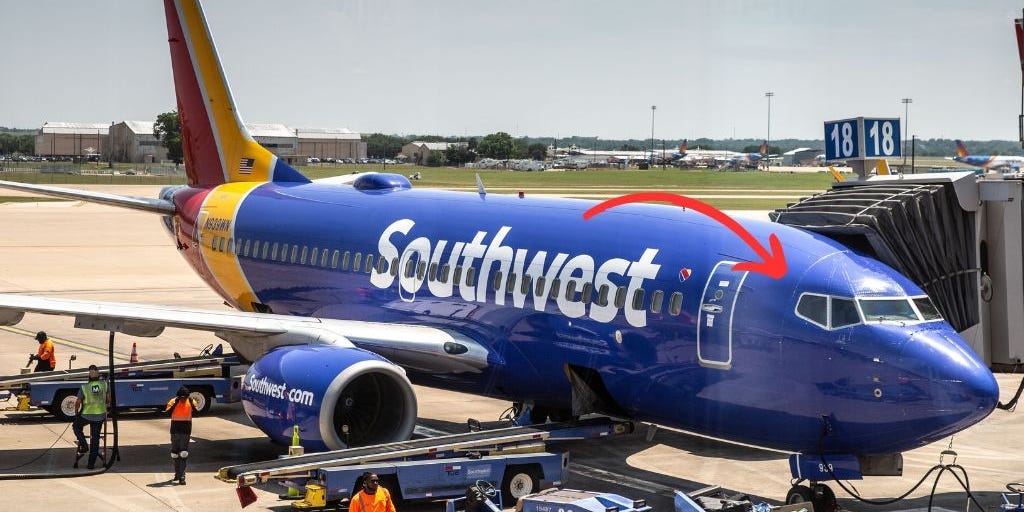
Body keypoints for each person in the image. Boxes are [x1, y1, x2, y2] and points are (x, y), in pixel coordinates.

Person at [72, 365, 108, 469]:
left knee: (76, 426)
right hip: (100, 415)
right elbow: (108, 399)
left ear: (89, 376)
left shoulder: (84, 387)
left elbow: (78, 402)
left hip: (87, 415)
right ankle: (91, 464)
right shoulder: (104, 384)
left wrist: (76, 413)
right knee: (95, 439)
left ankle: (83, 444)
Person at [164, 386, 199, 485]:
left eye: (185, 398)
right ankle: (177, 473)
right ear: (178, 396)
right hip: (175, 429)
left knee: (183, 453)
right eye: (181, 398)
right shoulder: (173, 401)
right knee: (174, 453)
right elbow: (167, 413)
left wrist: (191, 403)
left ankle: (182, 476)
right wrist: (175, 404)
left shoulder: (191, 401)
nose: (183, 400)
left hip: (186, 430)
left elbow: (197, 413)